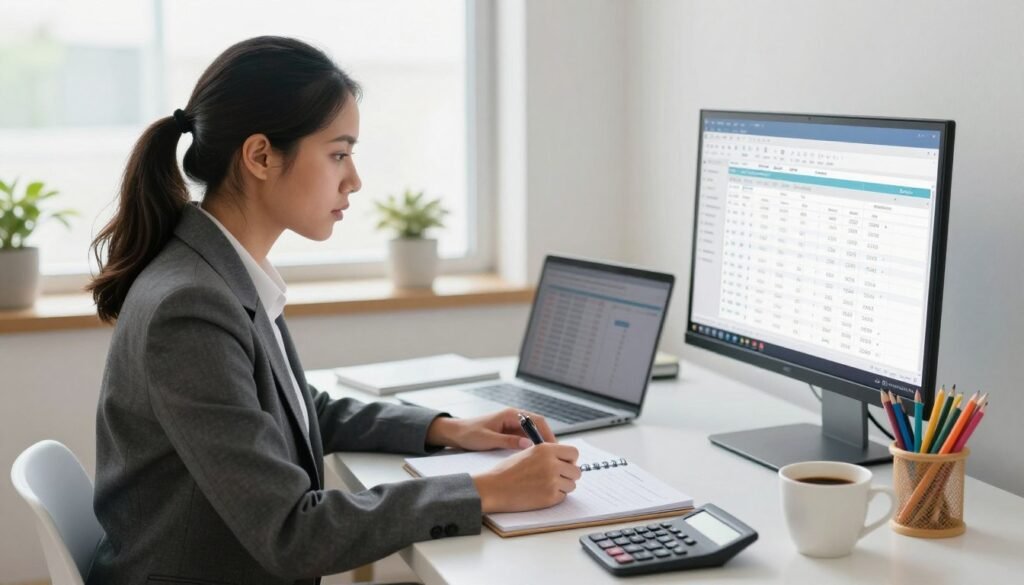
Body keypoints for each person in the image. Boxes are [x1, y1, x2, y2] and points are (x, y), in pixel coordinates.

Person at [86, 36, 580, 585]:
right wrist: (486, 489)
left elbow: (293, 410)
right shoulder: (192, 305)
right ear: (260, 156)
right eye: (338, 154)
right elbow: (291, 533)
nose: (354, 180)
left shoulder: (217, 272)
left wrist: (448, 429)